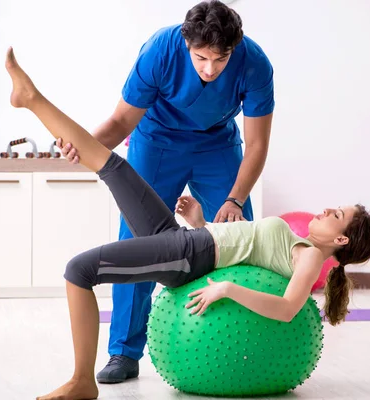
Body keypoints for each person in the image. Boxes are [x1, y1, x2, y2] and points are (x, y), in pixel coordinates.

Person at [5, 45, 370, 400]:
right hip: (191, 242)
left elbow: (286, 309)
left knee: (79, 270)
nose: (328, 210)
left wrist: (230, 290)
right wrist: (201, 223)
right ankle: (31, 99)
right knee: (112, 164)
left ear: (343, 241)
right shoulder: (296, 243)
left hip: (189, 256)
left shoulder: (312, 258)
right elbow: (243, 250)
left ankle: (82, 381)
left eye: (337, 216)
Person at [56, 0, 275, 383]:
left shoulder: (255, 63)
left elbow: (256, 145)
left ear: (234, 49)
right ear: (186, 43)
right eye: (201, 58)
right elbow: (122, 120)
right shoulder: (160, 49)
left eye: (220, 60)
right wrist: (84, 146)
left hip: (217, 146)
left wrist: (234, 199)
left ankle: (251, 343)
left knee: (243, 236)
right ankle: (123, 352)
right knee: (138, 244)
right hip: (156, 141)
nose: (210, 69)